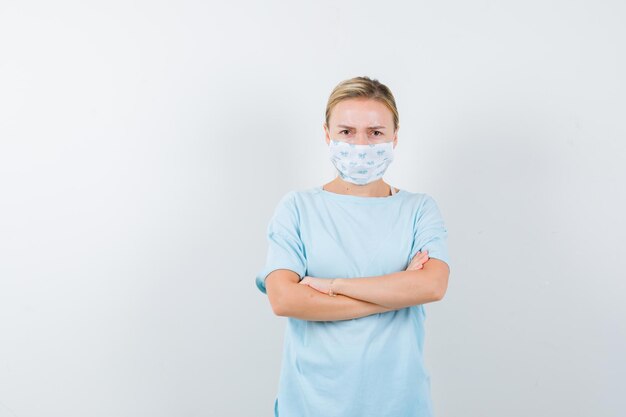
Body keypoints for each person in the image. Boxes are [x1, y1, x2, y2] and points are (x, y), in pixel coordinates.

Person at [255, 76, 451, 417]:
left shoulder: (419, 209)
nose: (361, 145)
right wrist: (394, 294)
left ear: (395, 137)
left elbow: (432, 285)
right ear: (327, 134)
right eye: (346, 132)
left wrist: (333, 286)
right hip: (311, 403)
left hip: (399, 403)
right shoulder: (298, 208)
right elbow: (284, 299)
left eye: (375, 132)